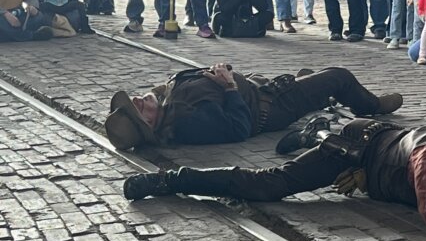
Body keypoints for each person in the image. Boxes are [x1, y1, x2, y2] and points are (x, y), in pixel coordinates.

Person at [123, 117, 426, 241]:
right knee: (270, 185)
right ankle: (171, 180)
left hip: (382, 156)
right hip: (356, 146)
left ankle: (316, 127)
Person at [105, 64, 404, 149]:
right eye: (139, 110)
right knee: (339, 77)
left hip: (262, 89)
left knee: (311, 79)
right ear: (151, 127)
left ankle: (312, 87)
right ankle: (371, 105)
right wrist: (229, 86)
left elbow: (172, 87)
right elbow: (239, 128)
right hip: (270, 106)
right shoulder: (186, 121)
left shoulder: (169, 104)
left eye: (136, 100)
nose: (139, 100)